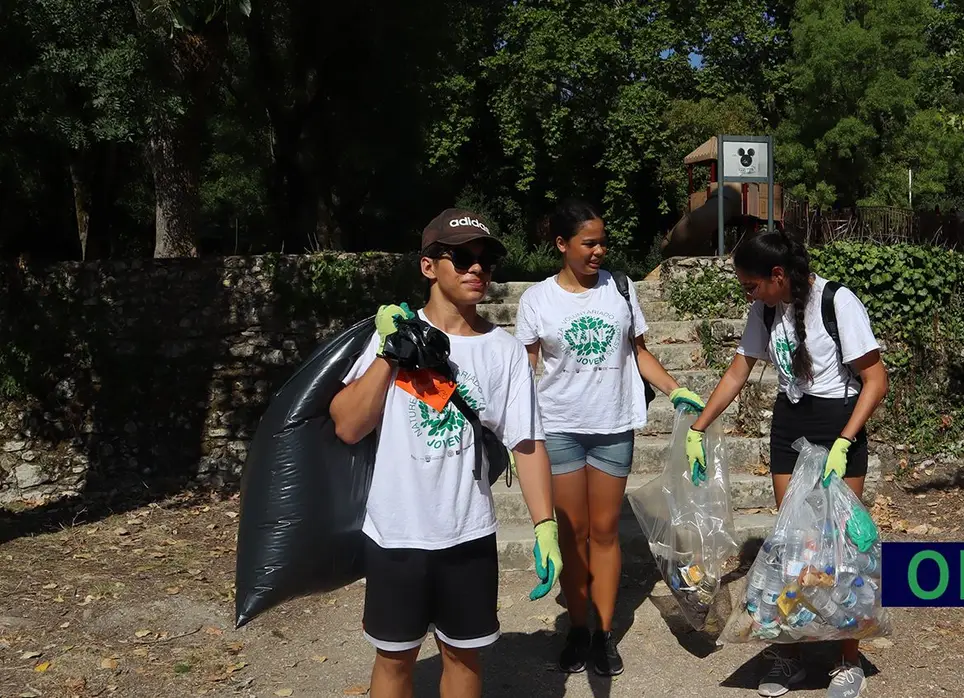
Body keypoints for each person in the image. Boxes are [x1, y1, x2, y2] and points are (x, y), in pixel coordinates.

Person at [329, 208, 562, 698]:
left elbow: (527, 442)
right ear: (429, 266)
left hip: (468, 533)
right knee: (394, 660)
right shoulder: (389, 335)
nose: (476, 268)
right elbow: (349, 425)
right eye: (461, 257)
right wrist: (390, 353)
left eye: (486, 261)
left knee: (463, 657)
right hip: (397, 533)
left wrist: (545, 526)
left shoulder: (503, 351)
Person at [685, 229, 889, 698]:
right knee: (794, 544)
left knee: (841, 550)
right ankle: (790, 651)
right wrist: (699, 427)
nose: (748, 294)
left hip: (840, 420)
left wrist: (844, 441)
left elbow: (876, 380)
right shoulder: (765, 308)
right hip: (789, 422)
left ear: (778, 275)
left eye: (751, 285)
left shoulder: (837, 302)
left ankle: (846, 658)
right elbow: (740, 368)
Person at [514, 199, 705, 676]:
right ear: (562, 245)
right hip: (557, 427)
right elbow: (525, 368)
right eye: (588, 243)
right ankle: (576, 629)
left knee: (604, 533)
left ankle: (602, 633)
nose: (599, 251)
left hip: (613, 427)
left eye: (603, 241)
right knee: (572, 535)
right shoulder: (536, 300)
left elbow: (639, 353)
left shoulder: (620, 289)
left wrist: (676, 388)